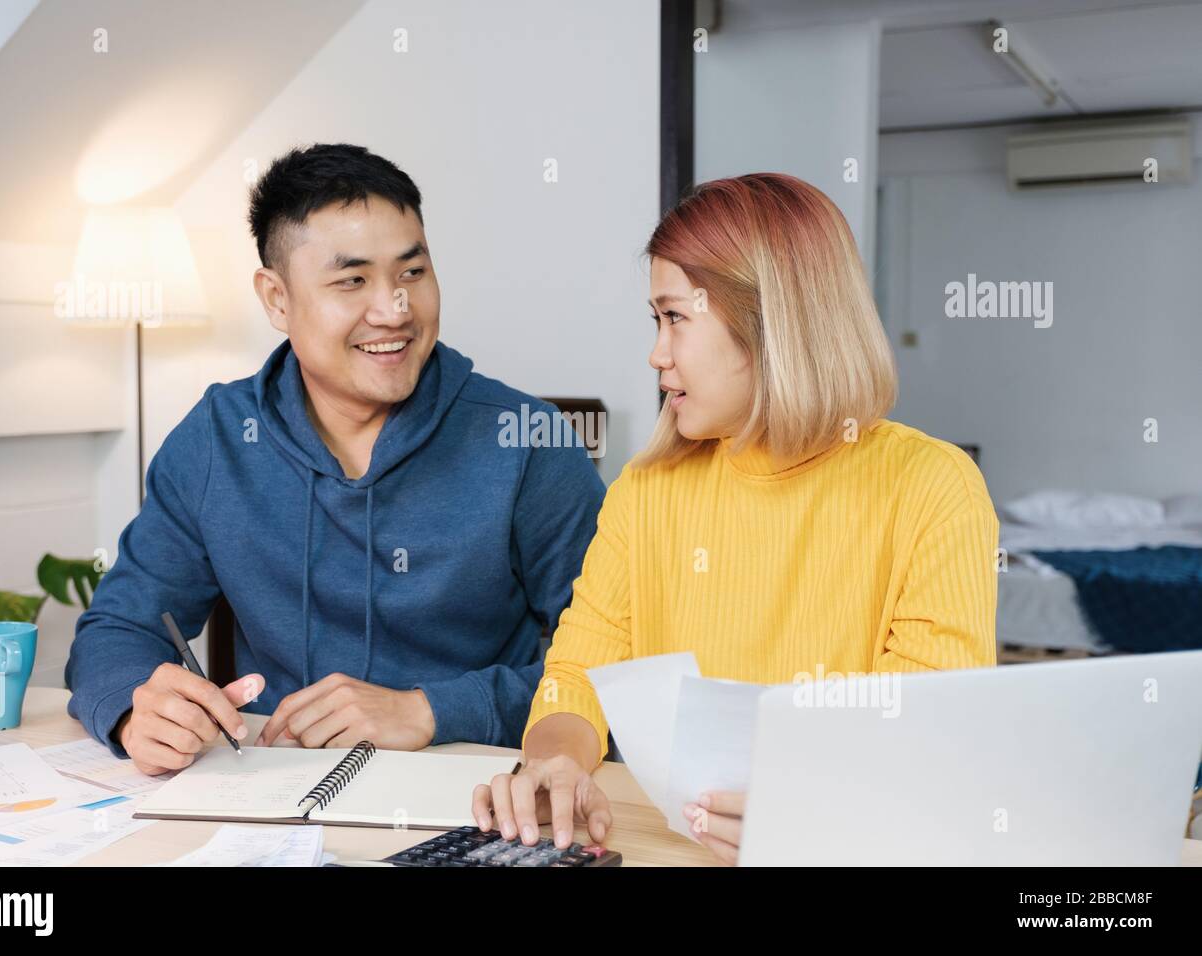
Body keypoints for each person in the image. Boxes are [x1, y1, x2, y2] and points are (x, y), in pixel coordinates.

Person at [472, 173, 998, 864]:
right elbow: (577, 672)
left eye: (675, 319)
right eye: (653, 322)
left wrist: (821, 815)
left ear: (767, 322)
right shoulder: (647, 488)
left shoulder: (932, 487)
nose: (656, 354)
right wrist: (554, 763)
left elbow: (928, 738)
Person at [66, 144, 605, 775]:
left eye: (412, 273)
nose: (395, 310)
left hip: (476, 788)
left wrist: (432, 710)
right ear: (276, 299)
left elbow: (617, 664)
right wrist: (136, 708)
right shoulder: (217, 438)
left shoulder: (528, 441)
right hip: (277, 794)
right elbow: (115, 630)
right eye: (352, 280)